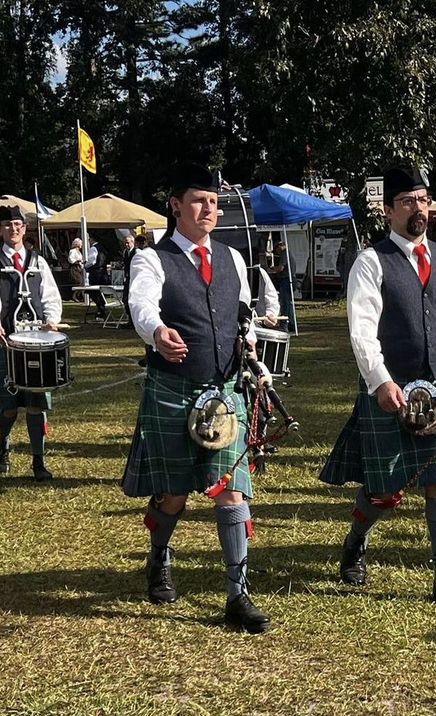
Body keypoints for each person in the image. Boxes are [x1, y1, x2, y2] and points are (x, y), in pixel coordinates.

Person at [320, 167, 436, 608]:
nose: (419, 209)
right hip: (393, 387)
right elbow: (362, 329)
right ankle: (355, 541)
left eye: (424, 200)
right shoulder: (372, 262)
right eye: (408, 201)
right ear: (389, 210)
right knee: (383, 490)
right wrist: (380, 380)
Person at [123, 165, 271, 633]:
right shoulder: (152, 258)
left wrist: (251, 349)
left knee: (231, 492)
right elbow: (141, 303)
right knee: (172, 495)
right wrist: (156, 331)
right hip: (173, 389)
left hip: (225, 392)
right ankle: (160, 557)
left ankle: (237, 594)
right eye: (198, 201)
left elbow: (242, 316)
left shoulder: (232, 258)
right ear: (176, 206)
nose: (209, 209)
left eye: (214, 201)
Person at [0, 205, 63, 481]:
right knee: (8, 407)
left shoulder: (38, 261)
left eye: (18, 224)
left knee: (37, 404)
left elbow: (49, 294)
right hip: (5, 340)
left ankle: (38, 462)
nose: (13, 229)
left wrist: (52, 319)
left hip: (36, 341)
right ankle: (3, 441)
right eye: (7, 224)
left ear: (25, 228)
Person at [68, 237, 87, 302]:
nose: (81, 245)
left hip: (80, 268)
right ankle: (75, 295)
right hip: (75, 268)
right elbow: (70, 259)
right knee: (79, 281)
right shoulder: (72, 251)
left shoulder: (79, 252)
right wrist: (77, 261)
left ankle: (79, 296)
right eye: (81, 243)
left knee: (82, 282)